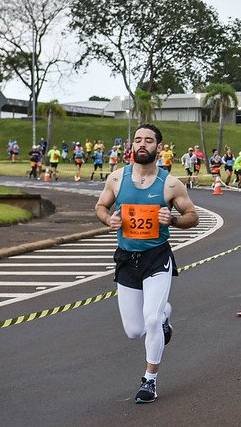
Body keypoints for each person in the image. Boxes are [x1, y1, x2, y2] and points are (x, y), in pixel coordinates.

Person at [95, 123, 199, 404]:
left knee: (150, 320)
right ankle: (165, 315)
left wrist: (174, 220)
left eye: (149, 140)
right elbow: (101, 206)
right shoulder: (117, 179)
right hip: (127, 258)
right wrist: (109, 219)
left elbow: (193, 216)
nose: (142, 144)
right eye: (138, 139)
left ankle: (149, 381)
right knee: (134, 331)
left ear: (158, 147)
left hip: (156, 257)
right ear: (132, 146)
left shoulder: (170, 184)